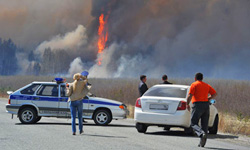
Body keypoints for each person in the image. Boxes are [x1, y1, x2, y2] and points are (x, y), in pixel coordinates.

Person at [186, 73, 217, 147]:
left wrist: (187, 104)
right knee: (204, 125)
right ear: (202, 78)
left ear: (195, 78)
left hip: (197, 105)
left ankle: (201, 134)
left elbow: (190, 95)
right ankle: (202, 143)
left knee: (193, 123)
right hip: (206, 105)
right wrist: (208, 98)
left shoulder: (194, 84)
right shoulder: (206, 85)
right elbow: (215, 94)